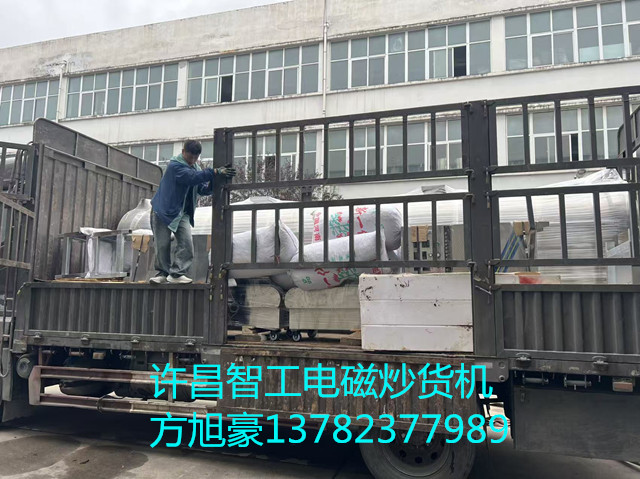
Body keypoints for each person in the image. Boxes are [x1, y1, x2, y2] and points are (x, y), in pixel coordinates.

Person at [149, 140, 235, 284]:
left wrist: (216, 179)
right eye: (190, 157)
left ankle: (176, 274)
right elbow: (191, 178)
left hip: (182, 212)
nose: (193, 160)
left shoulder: (195, 168)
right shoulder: (175, 166)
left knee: (187, 243)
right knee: (162, 244)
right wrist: (214, 172)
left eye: (196, 158)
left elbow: (202, 189)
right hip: (162, 210)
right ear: (183, 152)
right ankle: (162, 273)